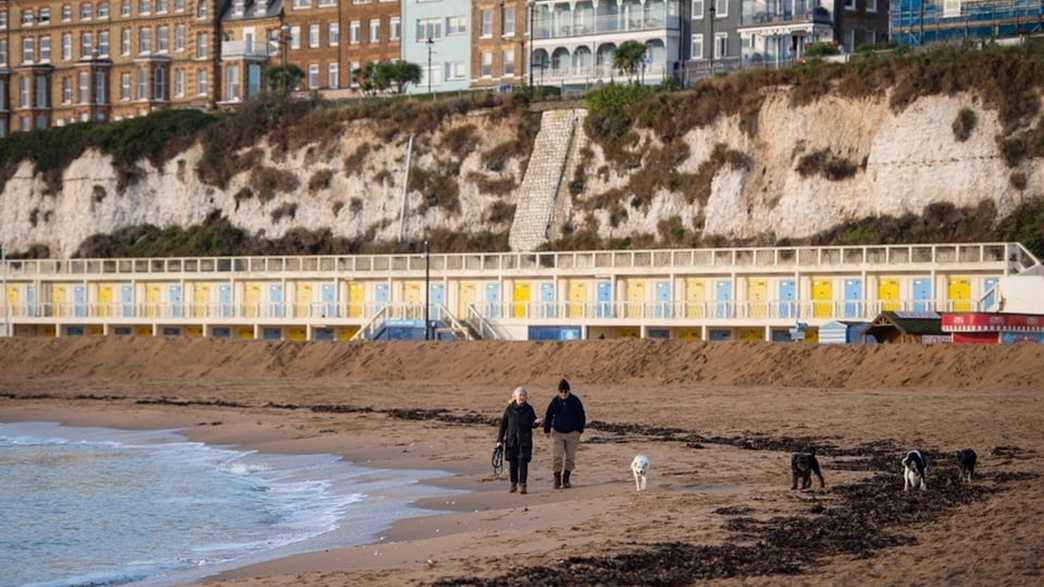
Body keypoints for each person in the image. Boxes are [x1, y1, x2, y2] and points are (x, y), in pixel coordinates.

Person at [496, 386, 541, 494]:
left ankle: (523, 485)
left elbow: (532, 424)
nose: (521, 397)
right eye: (520, 395)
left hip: (524, 440)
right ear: (515, 396)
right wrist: (499, 441)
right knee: (513, 463)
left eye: (523, 395)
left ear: (526, 397)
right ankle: (513, 484)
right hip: (511, 440)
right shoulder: (509, 409)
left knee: (523, 462)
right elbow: (503, 426)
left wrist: (536, 423)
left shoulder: (529, 409)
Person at [543, 378, 586, 489]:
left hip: (572, 433)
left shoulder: (575, 400)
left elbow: (581, 415)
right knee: (557, 456)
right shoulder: (555, 401)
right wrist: (547, 430)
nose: (563, 394)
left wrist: (580, 430)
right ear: (558, 391)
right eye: (561, 391)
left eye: (565, 391)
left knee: (570, 458)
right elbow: (548, 415)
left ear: (569, 391)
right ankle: (557, 479)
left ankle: (566, 479)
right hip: (558, 433)